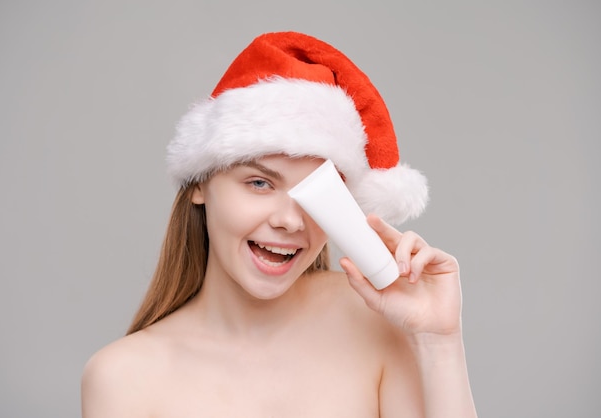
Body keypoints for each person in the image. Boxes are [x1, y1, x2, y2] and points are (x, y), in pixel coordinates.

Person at [81, 31, 477, 417]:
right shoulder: (123, 378)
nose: (290, 221)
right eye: (259, 183)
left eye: (317, 193)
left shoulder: (375, 319)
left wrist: (439, 340)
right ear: (200, 183)